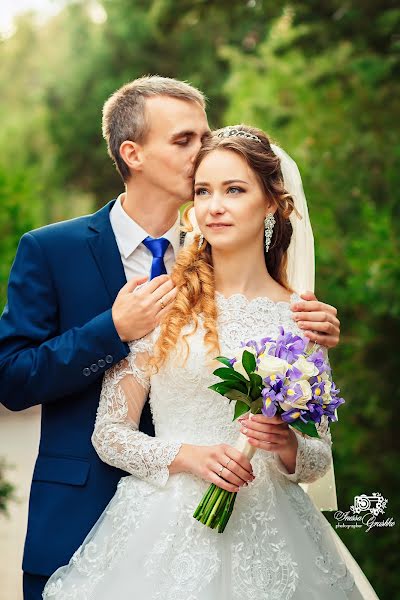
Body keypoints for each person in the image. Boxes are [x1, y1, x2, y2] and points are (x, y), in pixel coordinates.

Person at [0, 77, 341, 600]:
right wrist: (111, 331)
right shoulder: (51, 249)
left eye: (205, 140)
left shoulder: (230, 248)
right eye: (185, 141)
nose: (203, 155)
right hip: (93, 523)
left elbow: (311, 441)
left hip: (251, 520)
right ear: (132, 153)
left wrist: (307, 343)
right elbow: (12, 378)